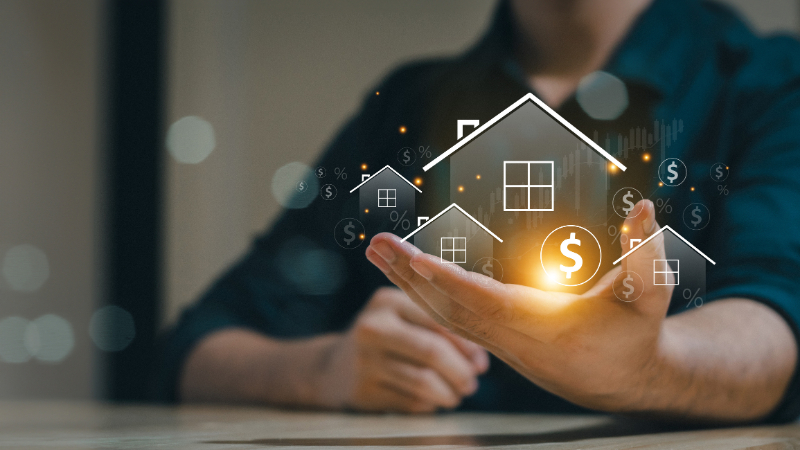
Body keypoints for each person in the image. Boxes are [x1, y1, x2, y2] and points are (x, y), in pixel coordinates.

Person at [157, 0, 800, 422]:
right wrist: (324, 371)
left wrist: (646, 364)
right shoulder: (409, 105)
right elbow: (195, 347)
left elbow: (775, 322)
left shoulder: (769, 85)